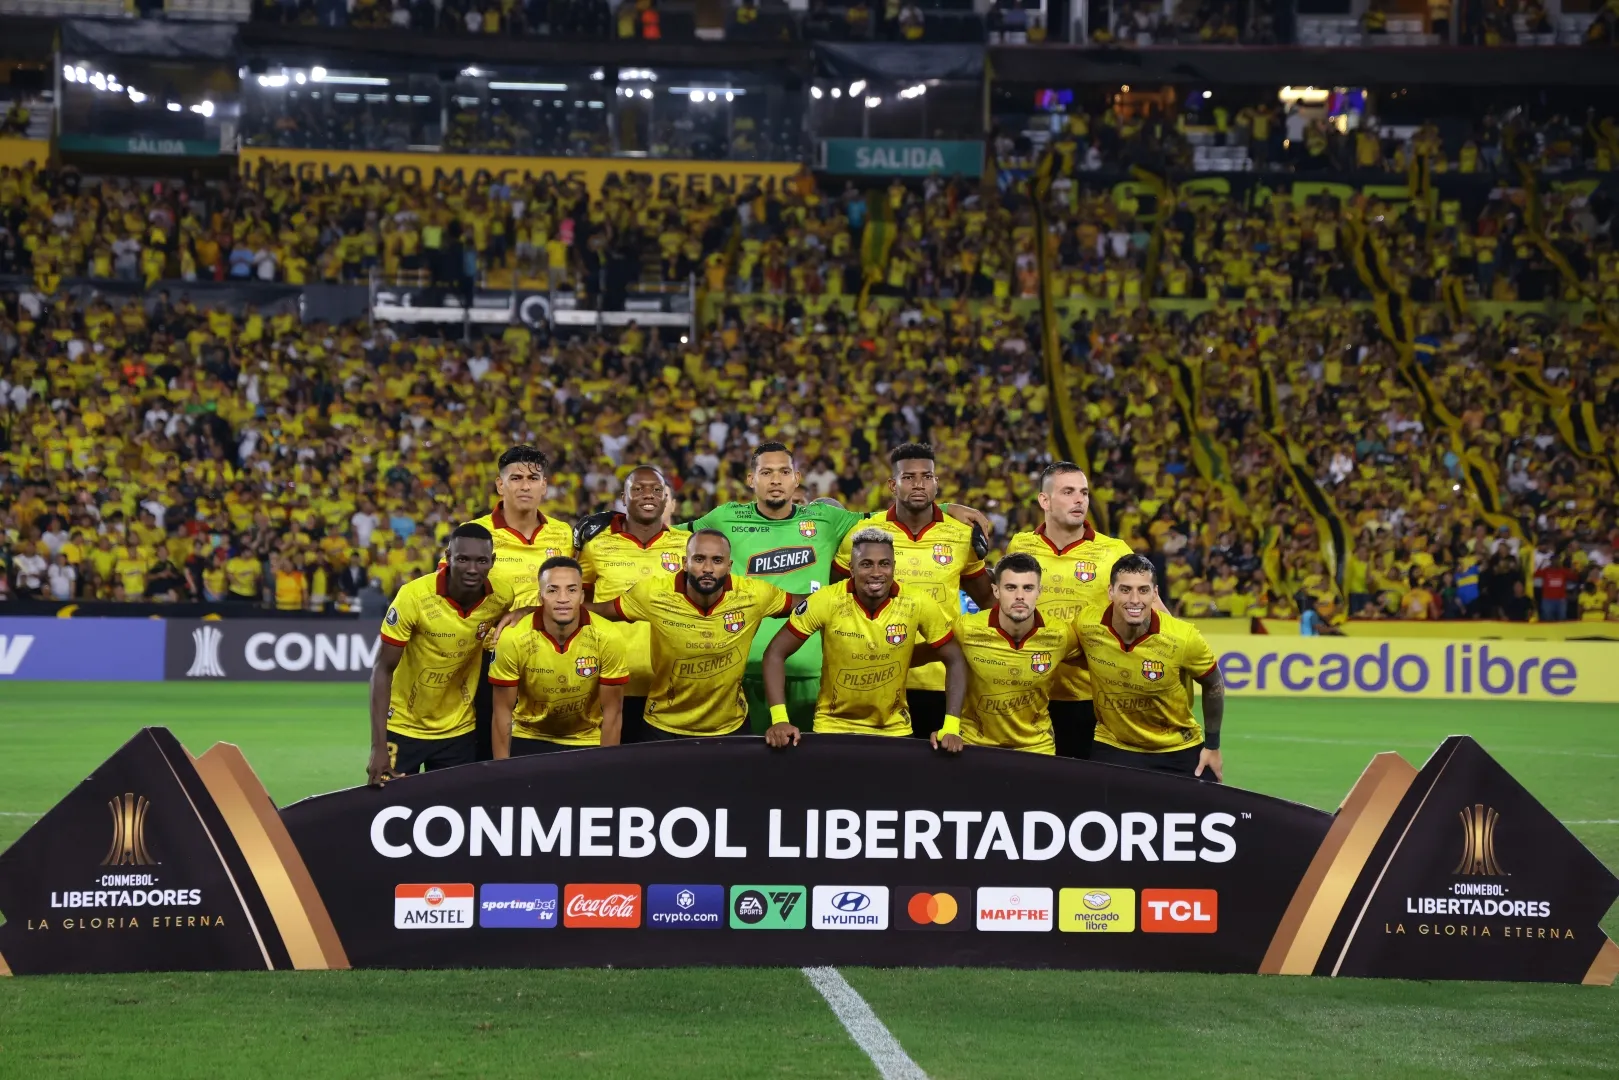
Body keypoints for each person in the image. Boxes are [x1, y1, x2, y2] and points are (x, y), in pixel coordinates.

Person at [687, 441, 989, 733]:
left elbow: (901, 511)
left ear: (797, 478)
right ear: (751, 479)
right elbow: (671, 538)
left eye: (783, 472)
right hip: (740, 669)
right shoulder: (724, 517)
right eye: (767, 472)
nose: (776, 480)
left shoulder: (829, 521)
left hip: (821, 673)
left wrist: (947, 508)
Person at [833, 444, 993, 741]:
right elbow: (837, 599)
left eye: (926, 476)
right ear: (893, 485)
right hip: (877, 677)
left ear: (936, 483)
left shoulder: (961, 536)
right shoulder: (864, 534)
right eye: (908, 477)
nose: (918, 484)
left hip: (943, 680)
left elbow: (987, 601)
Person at [585, 529, 801, 738]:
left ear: (729, 566)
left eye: (717, 561)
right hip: (663, 726)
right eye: (699, 559)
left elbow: (809, 604)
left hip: (730, 727)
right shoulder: (652, 593)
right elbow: (602, 611)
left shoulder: (755, 594)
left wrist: (834, 597)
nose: (707, 568)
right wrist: (556, 607)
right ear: (684, 564)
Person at [762, 528, 964, 749]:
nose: (876, 572)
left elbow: (954, 658)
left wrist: (951, 727)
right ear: (851, 568)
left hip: (894, 729)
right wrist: (780, 719)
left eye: (884, 564)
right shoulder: (826, 600)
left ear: (894, 567)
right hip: (832, 726)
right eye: (866, 564)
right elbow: (775, 652)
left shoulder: (918, 602)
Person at [1003, 462, 1134, 759]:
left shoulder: (1115, 551)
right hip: (1031, 694)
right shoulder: (1021, 546)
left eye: (1084, 492)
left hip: (1095, 699)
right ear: (1044, 501)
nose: (1080, 500)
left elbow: (1156, 614)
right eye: (1069, 491)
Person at [367, 524, 515, 784]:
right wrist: (378, 747)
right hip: (403, 726)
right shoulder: (413, 597)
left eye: (481, 561)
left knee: (456, 816)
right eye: (462, 559)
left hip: (458, 731)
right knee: (389, 812)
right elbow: (383, 669)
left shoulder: (501, 597)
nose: (472, 569)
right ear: (447, 557)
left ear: (492, 561)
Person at [462, 444, 576, 761]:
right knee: (486, 756)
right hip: (490, 661)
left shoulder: (563, 534)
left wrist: (531, 610)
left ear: (544, 486)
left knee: (539, 755)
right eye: (515, 478)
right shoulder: (475, 533)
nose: (524, 485)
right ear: (501, 485)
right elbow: (453, 595)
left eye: (532, 477)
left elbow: (575, 592)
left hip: (550, 661)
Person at [1076, 555, 1225, 781]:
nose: (1135, 599)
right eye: (1125, 590)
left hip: (1177, 748)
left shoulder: (1183, 637)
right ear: (1110, 592)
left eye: (1143, 590)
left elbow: (1214, 683)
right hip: (1114, 746)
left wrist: (1212, 746)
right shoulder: (1087, 625)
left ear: (1155, 594)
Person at [574, 465, 689, 743]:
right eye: (637, 489)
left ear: (666, 499)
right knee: (609, 771)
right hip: (609, 680)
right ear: (623, 498)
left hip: (670, 683)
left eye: (656, 490)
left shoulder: (688, 546)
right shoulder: (596, 546)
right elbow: (578, 604)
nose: (647, 495)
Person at [489, 557, 629, 756]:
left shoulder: (608, 636)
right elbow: (502, 712)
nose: (563, 598)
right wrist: (502, 770)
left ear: (581, 596)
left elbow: (613, 713)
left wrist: (604, 767)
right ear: (540, 597)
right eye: (552, 590)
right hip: (529, 736)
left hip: (586, 738)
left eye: (571, 590)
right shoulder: (513, 637)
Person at [954, 553, 1084, 755]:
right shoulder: (965, 629)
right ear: (996, 590)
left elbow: (1096, 660)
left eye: (1028, 588)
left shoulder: (1060, 634)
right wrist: (949, 726)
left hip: (1037, 748)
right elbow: (922, 655)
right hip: (975, 744)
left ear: (1039, 592)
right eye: (1011, 587)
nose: (1020, 596)